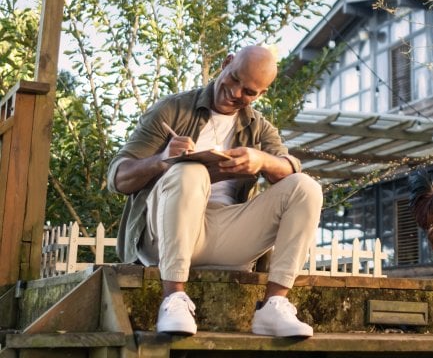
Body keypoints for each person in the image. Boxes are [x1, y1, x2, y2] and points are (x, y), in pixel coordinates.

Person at [107, 46, 323, 337]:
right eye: (233, 79)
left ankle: (274, 305)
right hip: (165, 236)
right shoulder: (172, 110)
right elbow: (117, 178)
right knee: (190, 170)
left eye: (248, 92)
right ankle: (173, 298)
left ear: (260, 95)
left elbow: (290, 167)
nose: (235, 93)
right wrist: (162, 160)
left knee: (306, 187)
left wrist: (261, 161)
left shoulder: (259, 128)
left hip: (226, 234)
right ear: (226, 63)